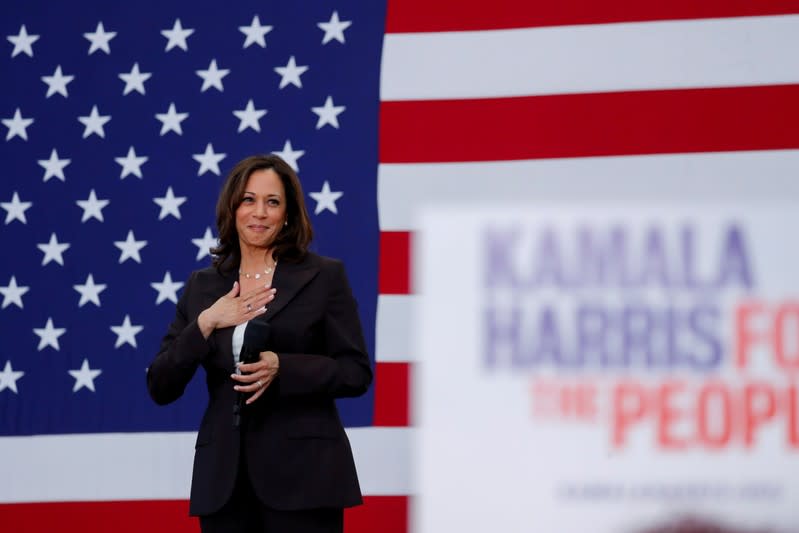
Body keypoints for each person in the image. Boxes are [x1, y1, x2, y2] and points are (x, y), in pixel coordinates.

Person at [147, 154, 373, 532]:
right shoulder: (203, 286)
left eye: (273, 202)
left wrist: (284, 367)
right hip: (224, 483)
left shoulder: (323, 276)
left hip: (306, 477)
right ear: (232, 208)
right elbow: (160, 384)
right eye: (248, 200)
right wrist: (206, 322)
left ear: (287, 214)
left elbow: (355, 372)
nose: (260, 213)